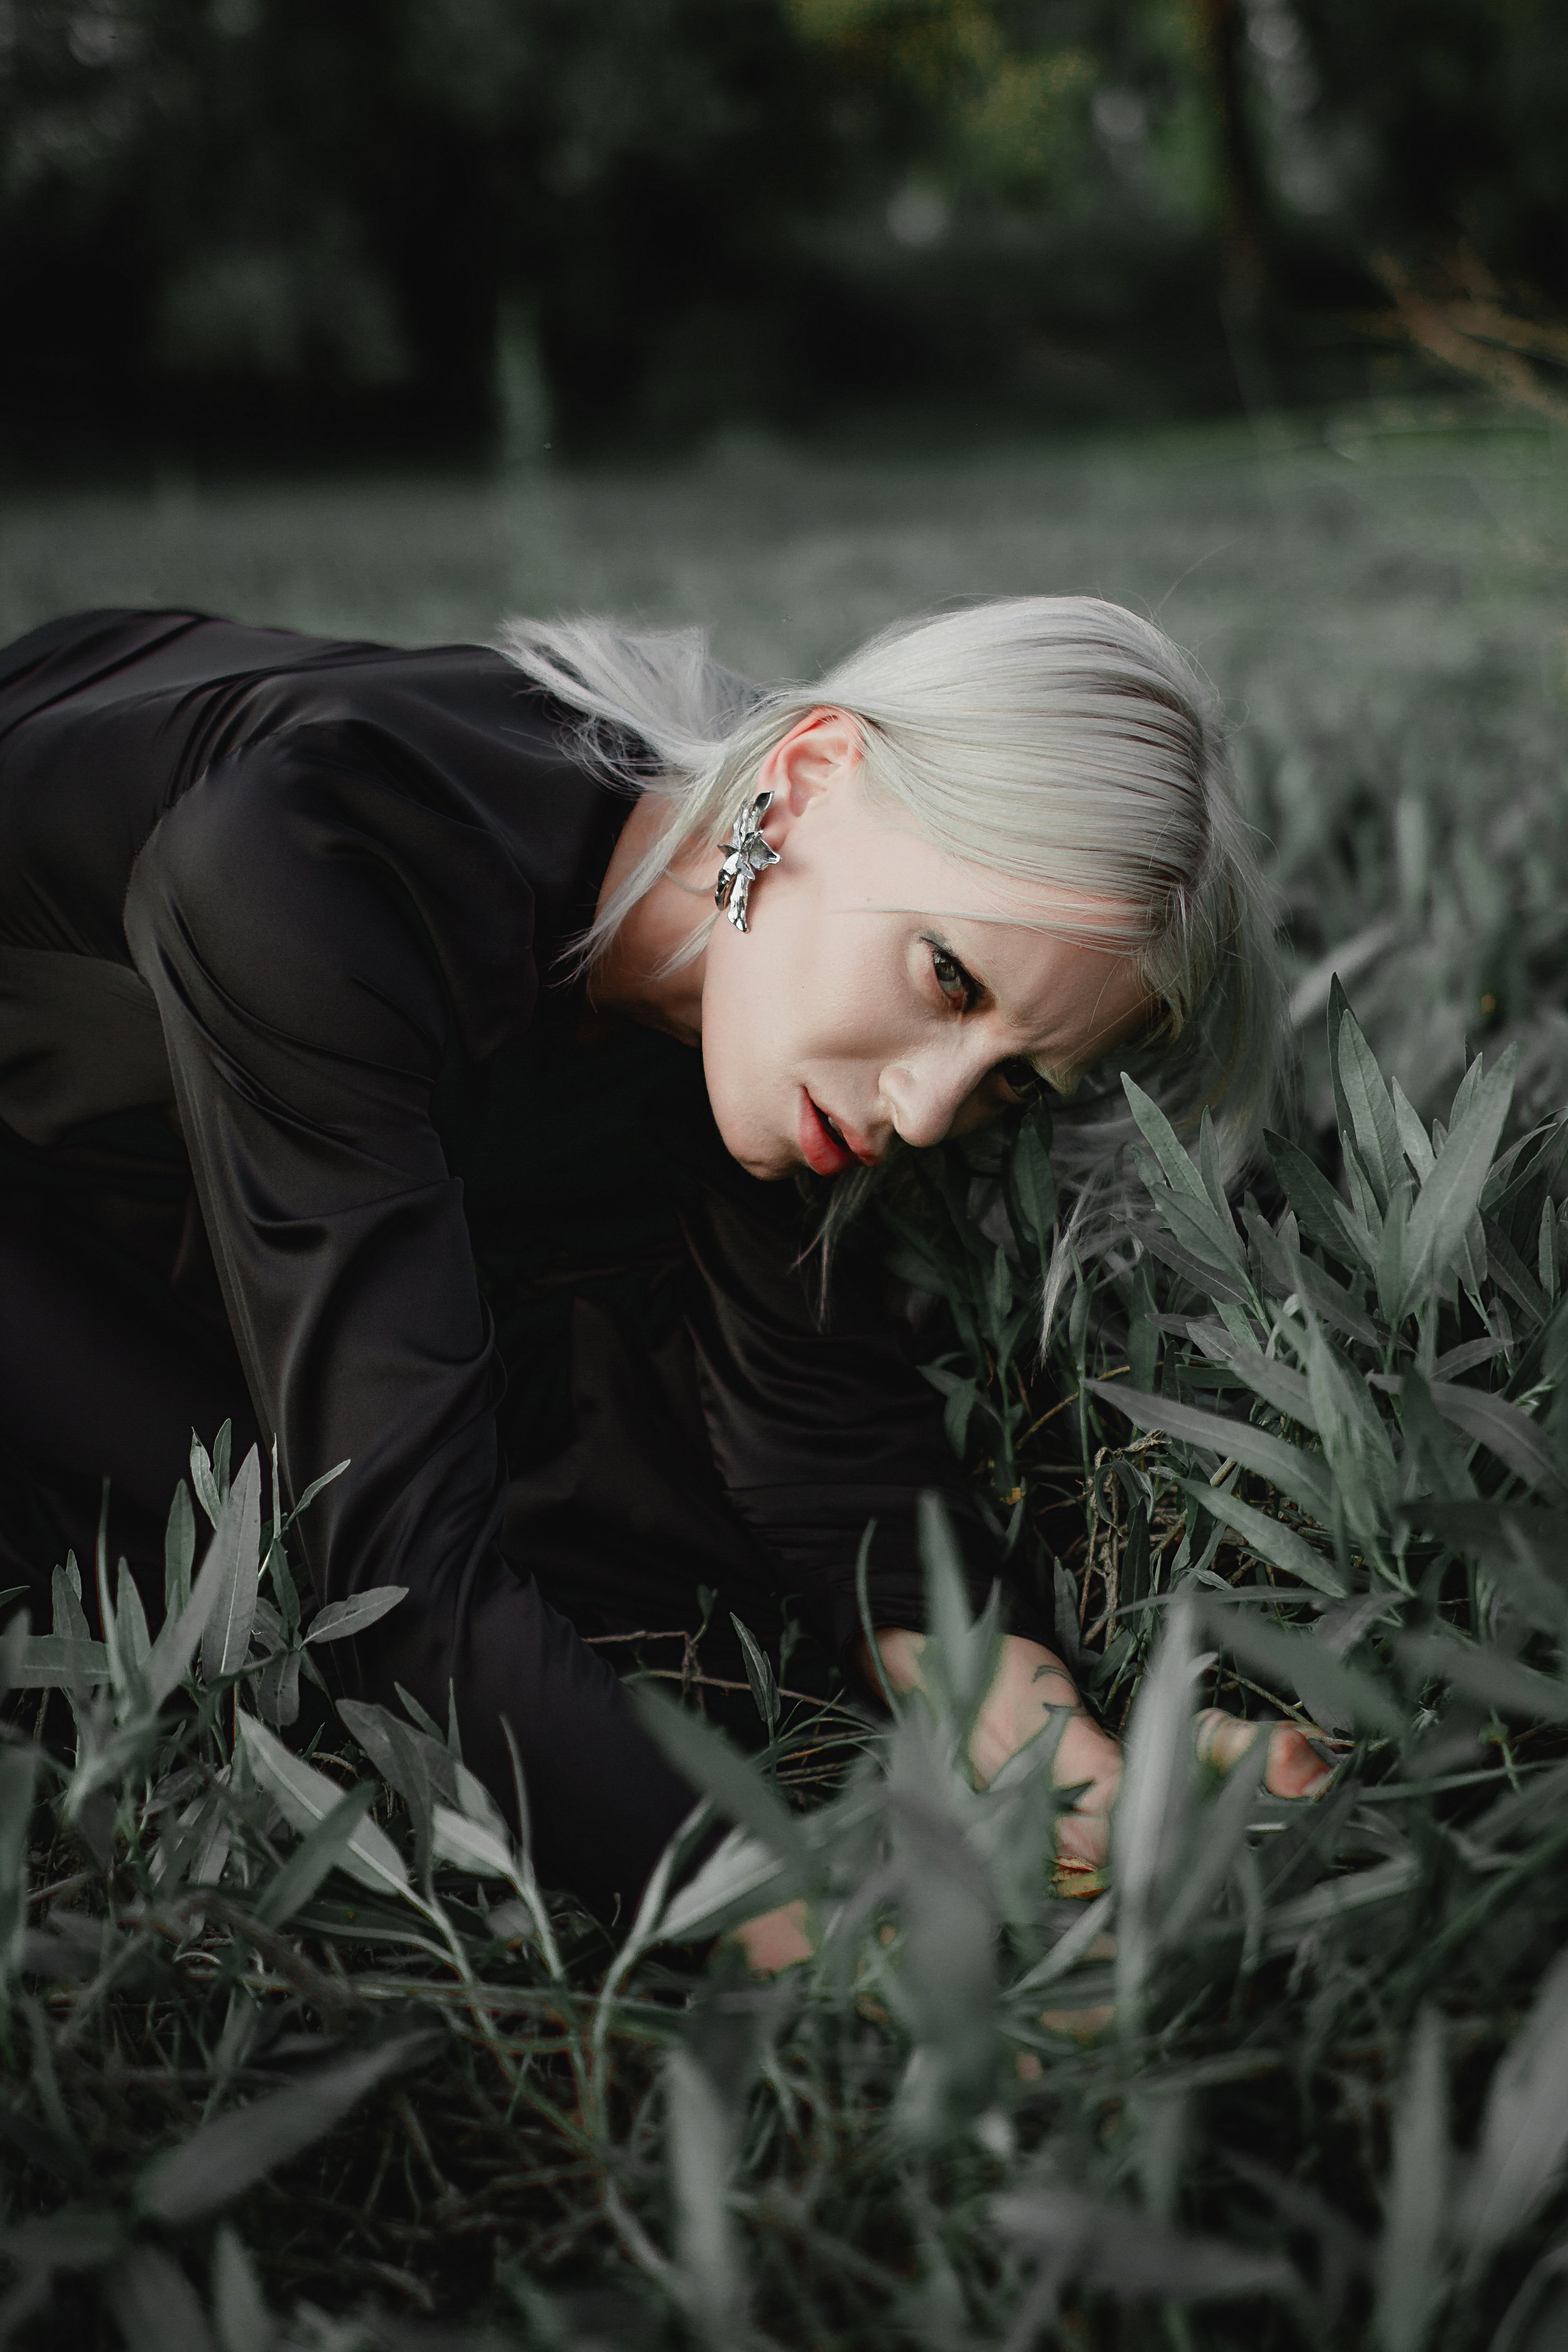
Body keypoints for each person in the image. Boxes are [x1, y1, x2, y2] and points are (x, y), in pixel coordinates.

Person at [0, 596, 1325, 1959]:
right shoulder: (312, 858)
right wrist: (800, 1936)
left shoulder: (761, 923)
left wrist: (1068, 1760)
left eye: (1013, 1081)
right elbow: (399, 1577)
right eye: (947, 977)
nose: (931, 1110)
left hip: (283, 1101)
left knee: (652, 1469)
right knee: (333, 1529)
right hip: (49, 1135)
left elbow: (825, 1435)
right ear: (808, 776)